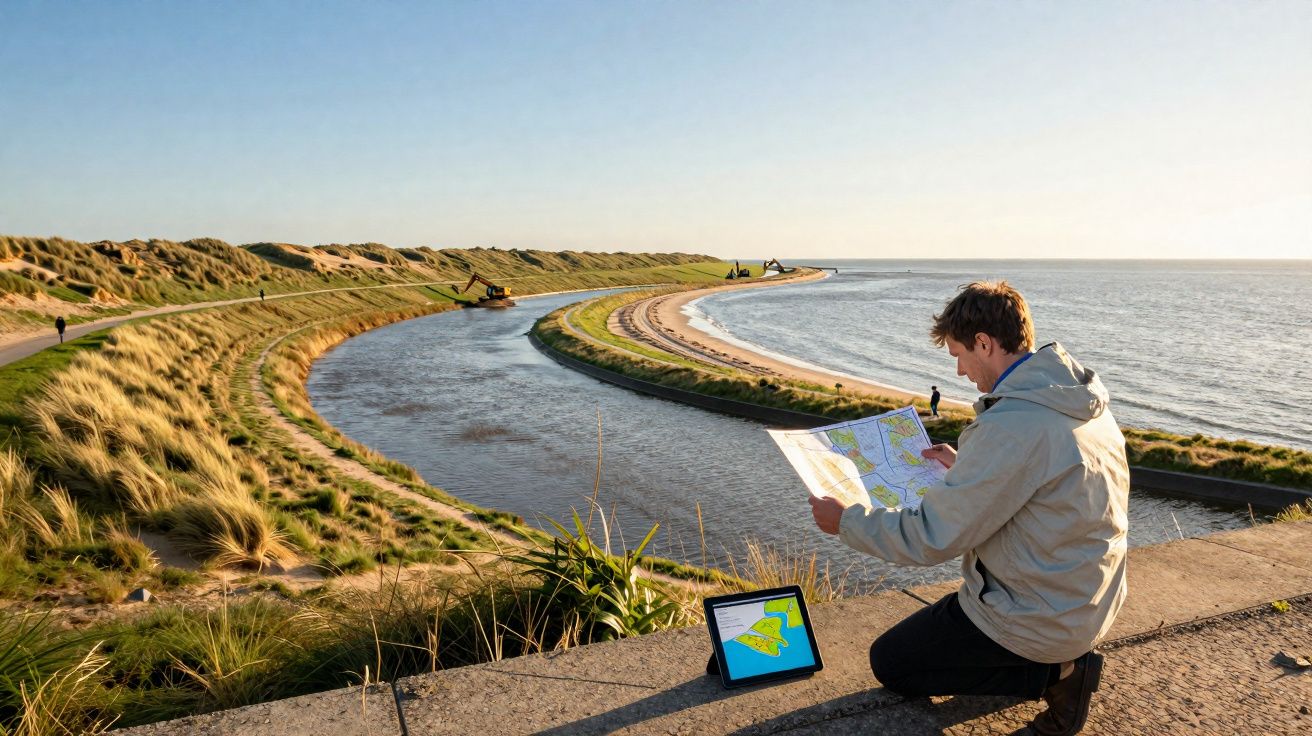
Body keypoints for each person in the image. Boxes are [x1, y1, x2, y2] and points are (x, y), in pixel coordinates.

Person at [809, 281, 1128, 736]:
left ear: (985, 343)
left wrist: (846, 522)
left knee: (892, 663)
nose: (959, 371)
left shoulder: (1013, 425)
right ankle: (1057, 662)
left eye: (960, 354)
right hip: (1089, 598)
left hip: (1038, 615)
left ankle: (1059, 675)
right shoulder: (1079, 400)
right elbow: (1045, 482)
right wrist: (967, 467)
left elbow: (930, 538)